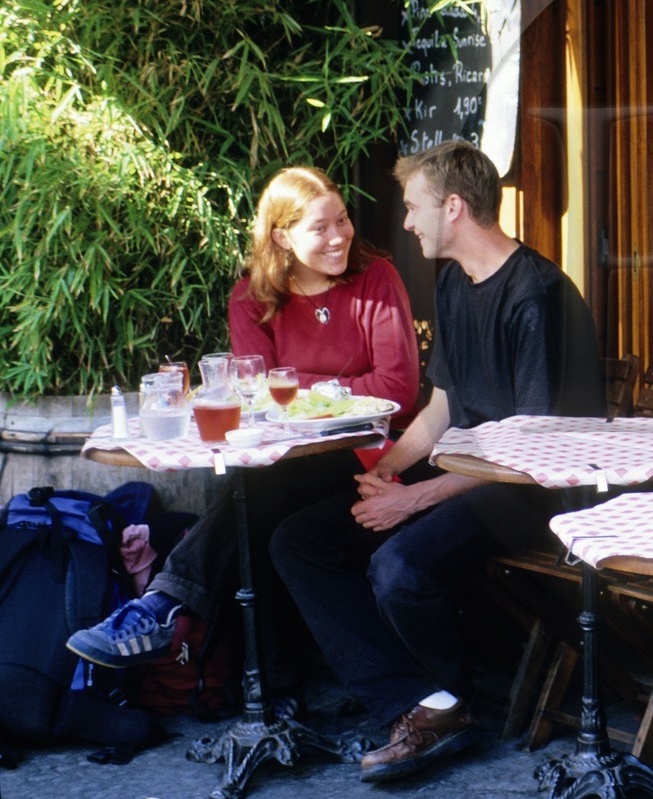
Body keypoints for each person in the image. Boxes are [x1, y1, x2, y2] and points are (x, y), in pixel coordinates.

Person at [269, 141, 604, 783]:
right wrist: (388, 470)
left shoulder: (538, 296)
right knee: (298, 541)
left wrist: (413, 498)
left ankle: (440, 710)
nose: (407, 222)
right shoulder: (455, 281)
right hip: (472, 471)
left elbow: (532, 451)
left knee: (398, 567)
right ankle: (422, 704)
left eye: (415, 206)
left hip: (534, 491)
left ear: (454, 207)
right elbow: (445, 406)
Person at [66, 167, 419, 690]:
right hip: (290, 459)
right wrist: (329, 387)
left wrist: (297, 385)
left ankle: (168, 606)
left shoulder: (376, 278)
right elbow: (254, 395)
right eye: (321, 228)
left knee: (253, 494)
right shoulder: (251, 298)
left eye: (342, 220)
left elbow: (398, 389)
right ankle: (265, 688)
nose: (340, 235)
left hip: (374, 453)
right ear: (282, 235)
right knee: (257, 497)